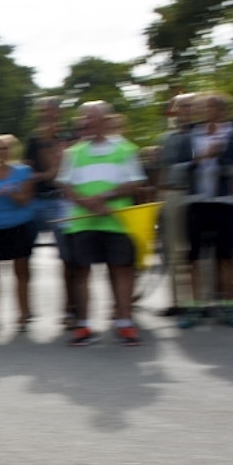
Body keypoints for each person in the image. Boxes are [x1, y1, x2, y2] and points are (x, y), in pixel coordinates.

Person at [57, 101, 146, 346]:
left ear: (105, 120)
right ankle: (84, 325)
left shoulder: (126, 149)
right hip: (82, 222)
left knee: (122, 269)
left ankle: (125, 323)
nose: (85, 121)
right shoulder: (73, 152)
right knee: (81, 272)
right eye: (84, 117)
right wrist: (88, 203)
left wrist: (105, 197)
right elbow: (65, 184)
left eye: (91, 116)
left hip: (117, 221)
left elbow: (135, 182)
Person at [178, 92, 233, 328]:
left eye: (207, 108)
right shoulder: (190, 135)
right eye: (201, 109)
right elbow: (178, 168)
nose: (202, 112)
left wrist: (231, 166)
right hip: (196, 201)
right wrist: (201, 157)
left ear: (221, 111)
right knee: (195, 257)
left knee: (226, 257)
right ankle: (196, 308)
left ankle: (229, 308)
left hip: (225, 202)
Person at [22, 96, 77, 327]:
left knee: (67, 258)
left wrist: (48, 171)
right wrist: (47, 172)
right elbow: (28, 173)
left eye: (51, 111)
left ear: (58, 113)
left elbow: (61, 172)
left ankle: (69, 310)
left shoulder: (67, 138)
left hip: (59, 201)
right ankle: (24, 312)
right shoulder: (33, 140)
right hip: (34, 201)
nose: (48, 115)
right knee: (23, 257)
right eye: (43, 111)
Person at [0, 135, 36, 333]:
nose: (1, 152)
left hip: (19, 225)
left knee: (21, 272)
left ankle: (23, 314)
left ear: (12, 150)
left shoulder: (23, 171)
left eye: (5, 148)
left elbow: (26, 200)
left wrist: (12, 193)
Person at [157, 93, 197, 316]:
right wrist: (159, 197)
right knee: (173, 250)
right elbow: (162, 170)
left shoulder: (201, 133)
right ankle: (177, 301)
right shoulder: (167, 138)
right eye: (181, 106)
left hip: (197, 195)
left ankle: (199, 301)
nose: (185, 110)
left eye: (189, 106)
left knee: (198, 251)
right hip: (171, 195)